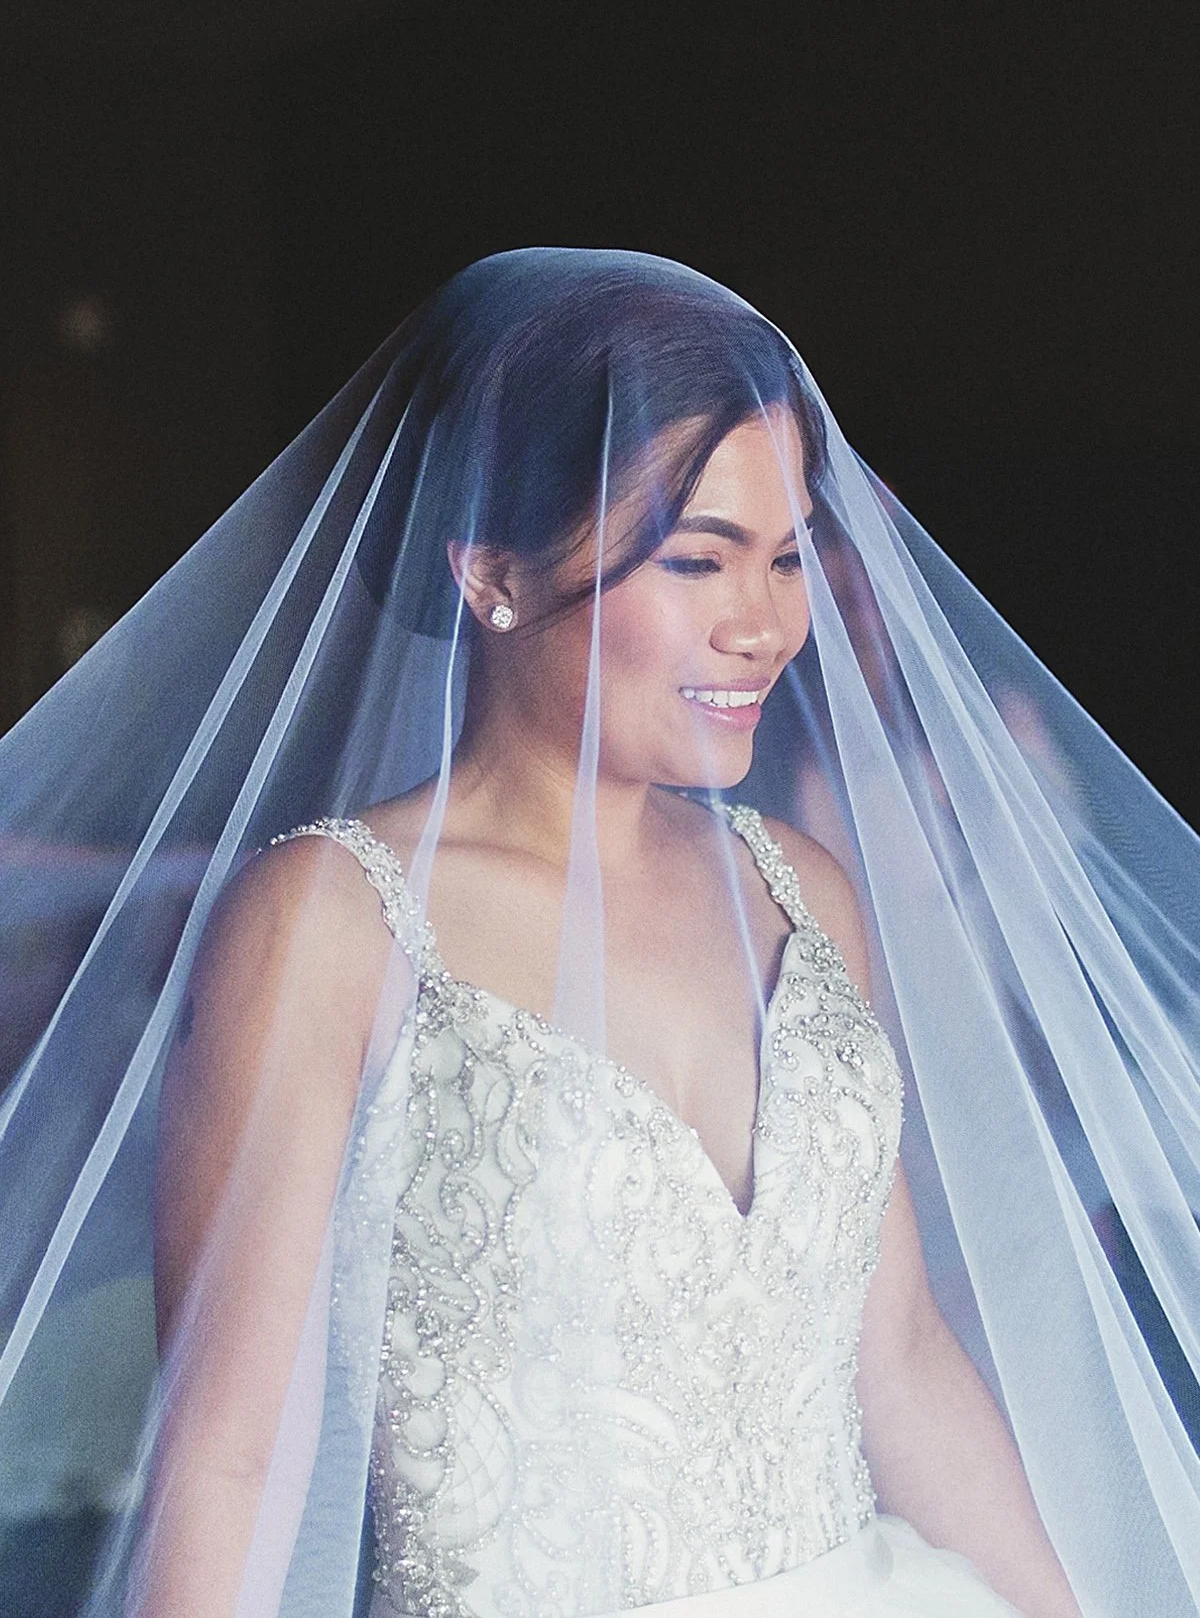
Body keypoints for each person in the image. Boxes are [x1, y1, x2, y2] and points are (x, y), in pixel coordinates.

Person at [1, 250, 1198, 1618]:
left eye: (789, 555)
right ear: (493, 574)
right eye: (698, 559)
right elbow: (229, 1458)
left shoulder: (800, 891)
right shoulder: (331, 923)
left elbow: (902, 1359)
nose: (766, 626)